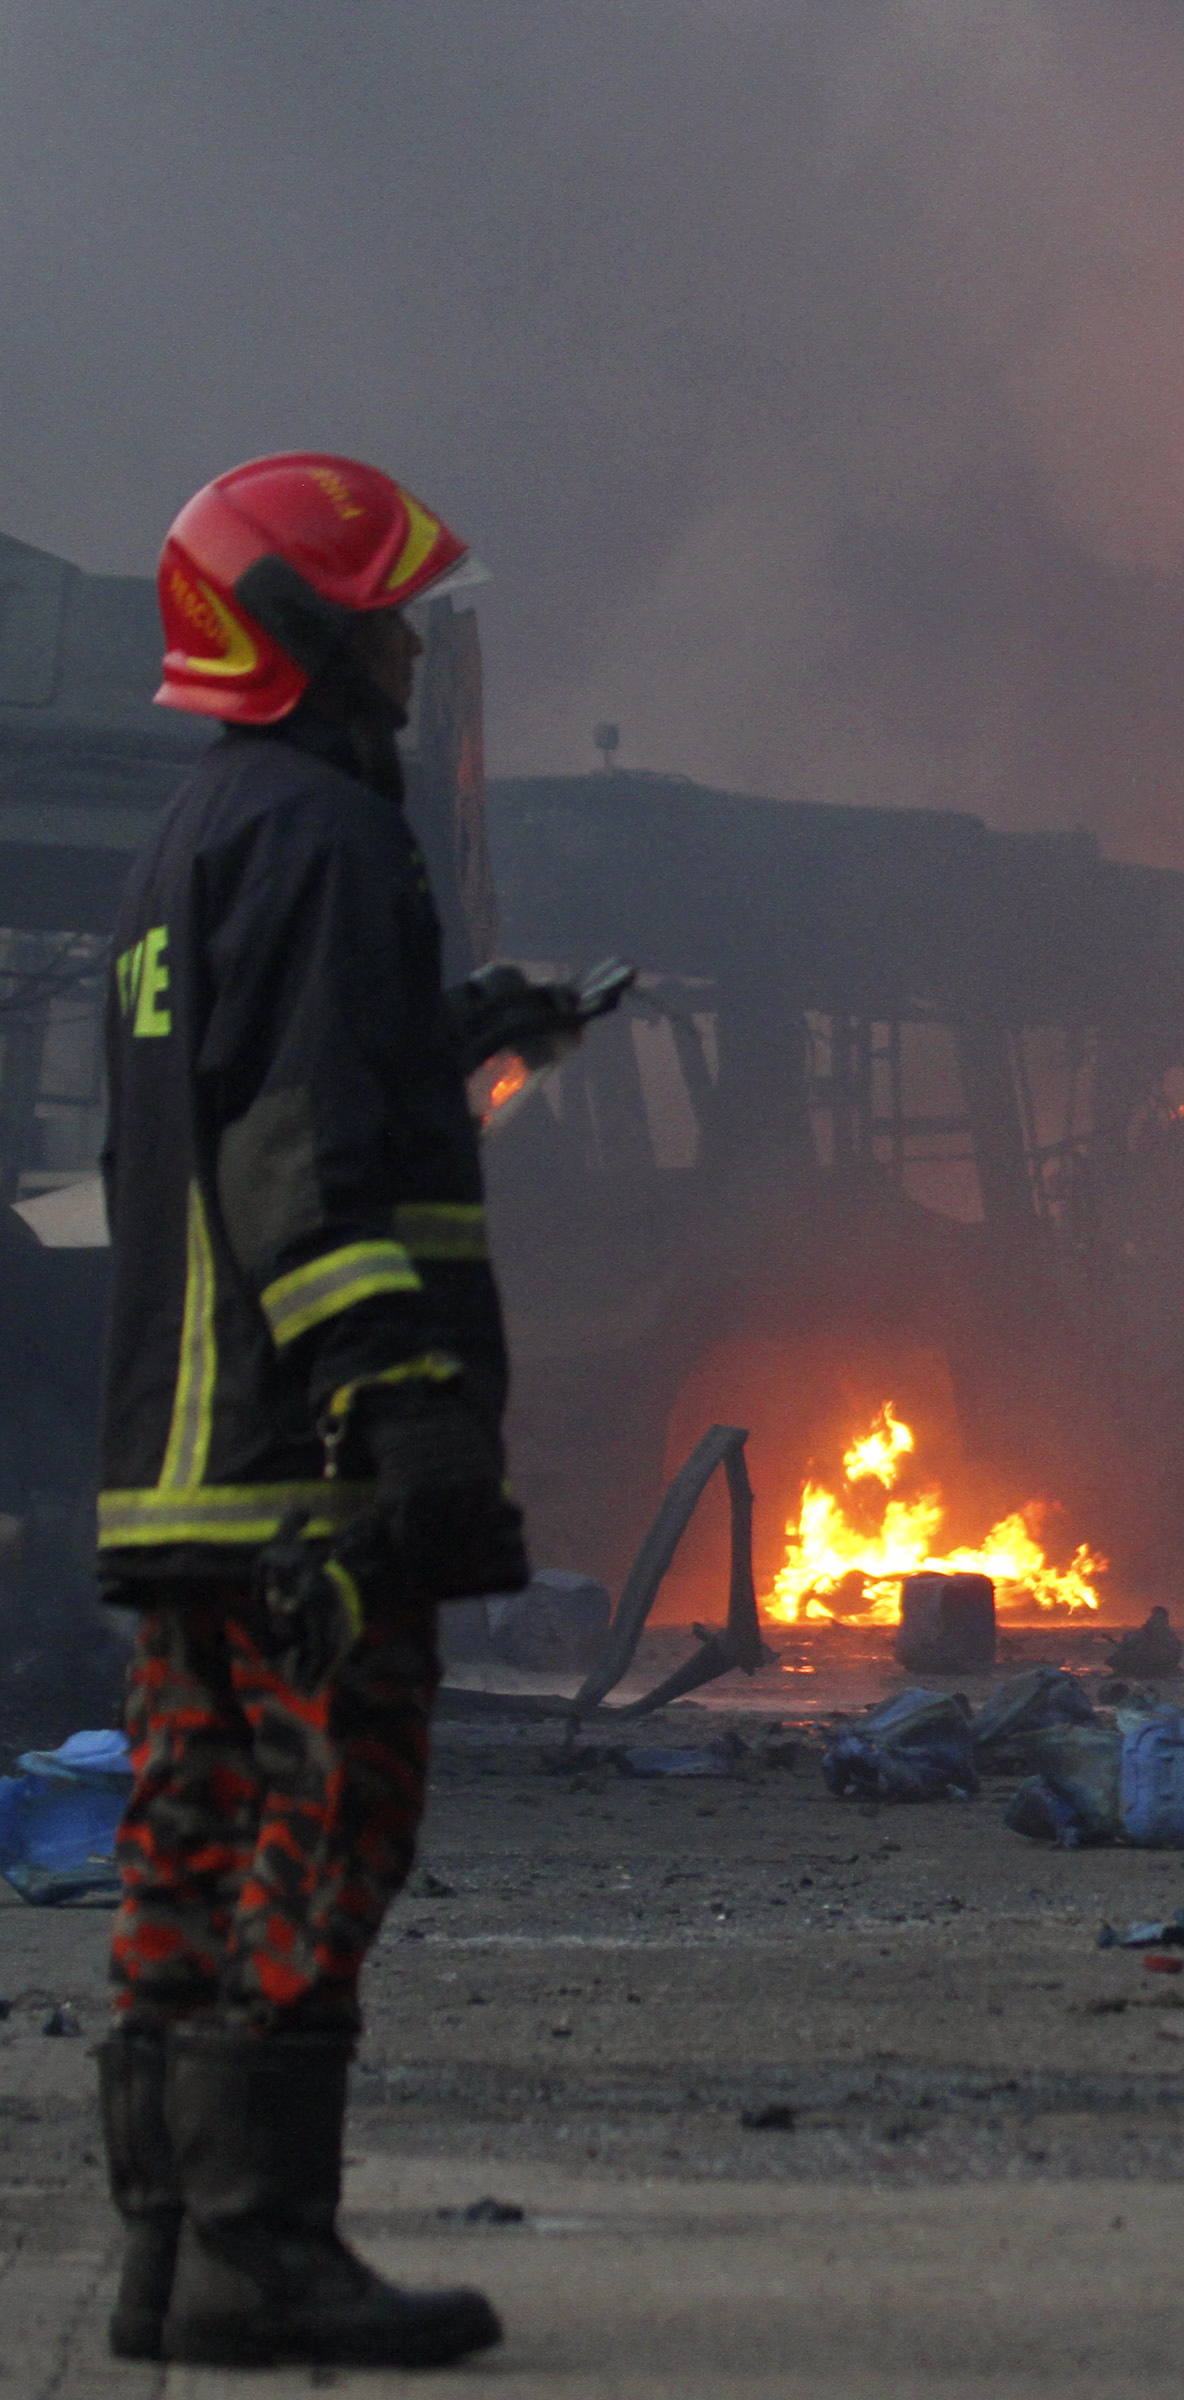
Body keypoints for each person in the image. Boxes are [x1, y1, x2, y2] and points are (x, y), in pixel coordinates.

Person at [92, 454, 537, 2367]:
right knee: (327, 1824)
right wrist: (407, 1411)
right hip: (309, 1471)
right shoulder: (340, 844)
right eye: (386, 613)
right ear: (303, 631)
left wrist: (454, 1040)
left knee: (187, 1833)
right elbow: (301, 1162)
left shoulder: (195, 839)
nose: (415, 650)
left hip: (183, 1474)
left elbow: (257, 1094)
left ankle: (170, 2254)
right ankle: (266, 2251)